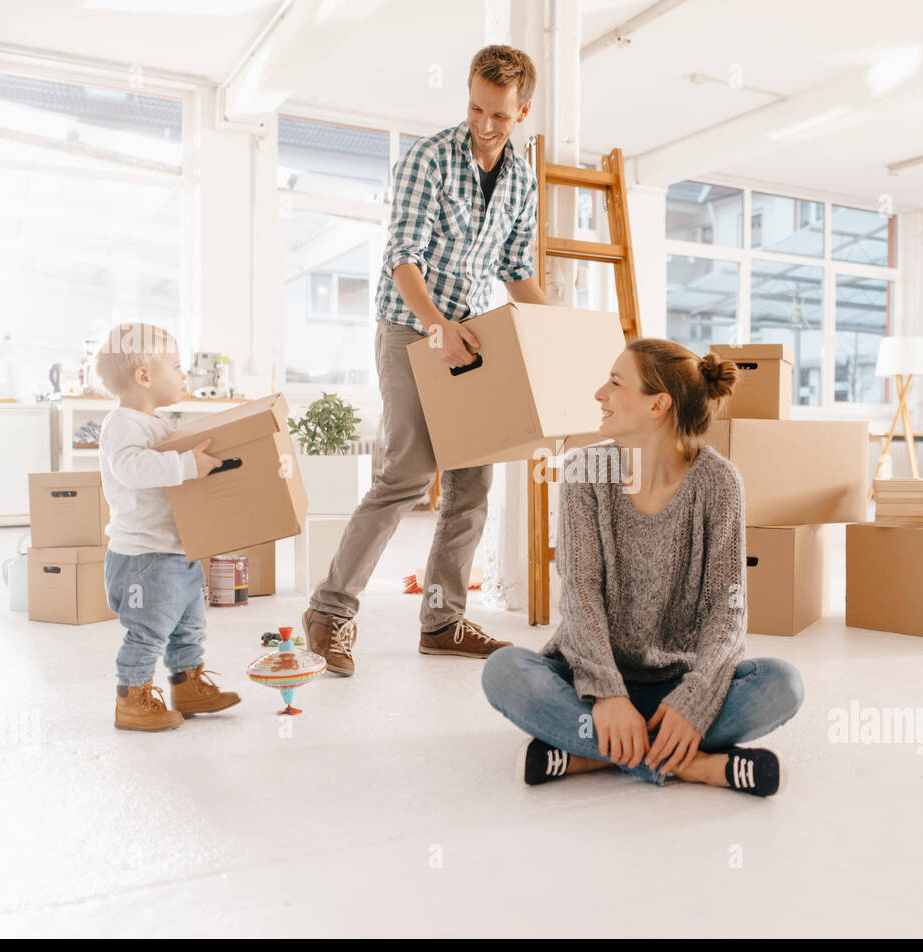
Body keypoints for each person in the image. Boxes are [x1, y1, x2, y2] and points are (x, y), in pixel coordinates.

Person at [302, 44, 549, 674]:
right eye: (475, 107)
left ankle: (441, 621)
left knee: (472, 482)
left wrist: (554, 337)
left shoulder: (522, 179)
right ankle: (330, 612)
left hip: (471, 334)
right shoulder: (428, 160)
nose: (485, 124)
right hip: (410, 327)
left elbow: (517, 269)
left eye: (500, 113)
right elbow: (403, 257)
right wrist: (436, 325)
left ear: (523, 110)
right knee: (407, 474)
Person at [482, 339, 805, 796]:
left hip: (677, 691)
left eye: (615, 384)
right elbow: (581, 592)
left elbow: (726, 609)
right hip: (588, 684)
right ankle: (694, 766)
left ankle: (584, 756)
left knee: (782, 684)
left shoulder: (719, 482)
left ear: (659, 404)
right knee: (504, 671)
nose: (600, 394)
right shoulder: (583, 472)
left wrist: (694, 698)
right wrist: (609, 695)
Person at [96, 322, 239, 732]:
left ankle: (187, 683)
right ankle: (132, 697)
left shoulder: (156, 423)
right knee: (147, 631)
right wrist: (187, 465)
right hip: (144, 556)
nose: (184, 375)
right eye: (176, 366)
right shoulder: (121, 424)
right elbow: (132, 468)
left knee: (189, 626)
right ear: (144, 376)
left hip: (177, 550)